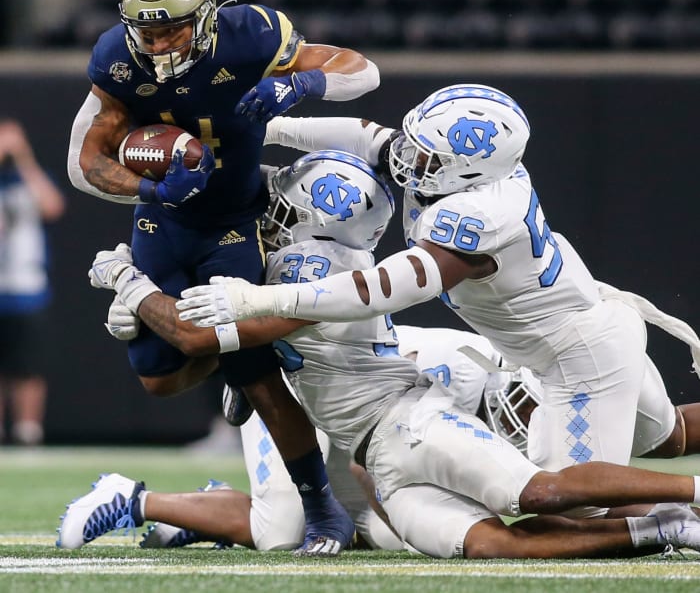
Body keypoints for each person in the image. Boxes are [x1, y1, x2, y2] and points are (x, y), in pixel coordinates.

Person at [62, 149, 700, 559]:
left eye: (285, 205)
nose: (272, 211)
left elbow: (205, 335)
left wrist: (133, 285)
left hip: (383, 433)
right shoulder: (452, 359)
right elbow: (200, 345)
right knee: (288, 526)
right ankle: (178, 505)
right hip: (361, 424)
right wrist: (151, 308)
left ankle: (674, 519)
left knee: (496, 523)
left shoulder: (306, 273)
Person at [176, 84, 700, 522]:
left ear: (470, 171)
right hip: (592, 326)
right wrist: (266, 130)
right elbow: (369, 137)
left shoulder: (479, 214)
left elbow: (381, 289)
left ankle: (688, 508)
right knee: (670, 436)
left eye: (426, 155)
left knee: (570, 504)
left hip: (578, 357)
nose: (407, 156)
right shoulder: (467, 173)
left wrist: (261, 298)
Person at [65, 0, 380, 555]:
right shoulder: (116, 58)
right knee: (159, 378)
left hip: (235, 220)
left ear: (207, 15)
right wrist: (151, 187)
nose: (156, 46)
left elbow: (362, 71)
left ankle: (320, 507)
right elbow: (87, 163)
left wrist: (303, 85)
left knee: (252, 367)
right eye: (145, 31)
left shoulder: (250, 36)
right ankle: (240, 350)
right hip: (164, 219)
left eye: (171, 28)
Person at [0, 118, 66, 445]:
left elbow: (52, 205)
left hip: (27, 287)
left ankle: (28, 431)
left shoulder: (27, 180)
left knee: (28, 364)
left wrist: (23, 157)